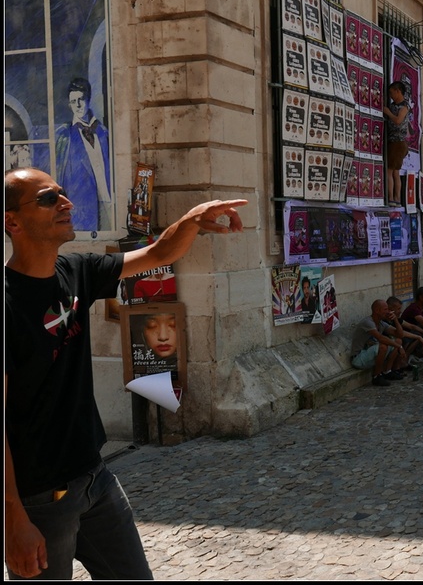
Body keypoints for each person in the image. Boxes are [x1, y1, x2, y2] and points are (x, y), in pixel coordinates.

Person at [4, 167, 247, 580]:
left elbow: (157, 255)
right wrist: (13, 521)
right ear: (12, 221)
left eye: (63, 193)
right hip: (39, 499)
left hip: (95, 477)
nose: (66, 203)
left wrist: (190, 221)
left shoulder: (76, 271)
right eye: (49, 198)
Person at [55, 77, 111, 232]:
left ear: (89, 99)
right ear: (69, 104)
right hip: (83, 207)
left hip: (109, 203)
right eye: (73, 101)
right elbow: (59, 177)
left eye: (81, 99)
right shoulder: (65, 136)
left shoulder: (103, 132)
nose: (78, 105)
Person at [350, 299, 408, 387]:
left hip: (370, 355)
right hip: (358, 358)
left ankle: (387, 371)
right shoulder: (368, 322)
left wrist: (395, 319)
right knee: (383, 346)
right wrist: (399, 347)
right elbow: (381, 338)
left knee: (398, 340)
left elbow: (400, 334)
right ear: (377, 310)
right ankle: (376, 376)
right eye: (385, 309)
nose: (388, 312)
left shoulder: (381, 323)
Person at [382, 81, 411, 207]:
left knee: (390, 171)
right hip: (393, 141)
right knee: (395, 171)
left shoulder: (404, 106)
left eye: (392, 93)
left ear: (398, 91)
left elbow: (398, 120)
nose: (391, 96)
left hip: (398, 141)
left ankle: (393, 198)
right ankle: (395, 198)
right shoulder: (394, 105)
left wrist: (388, 113)